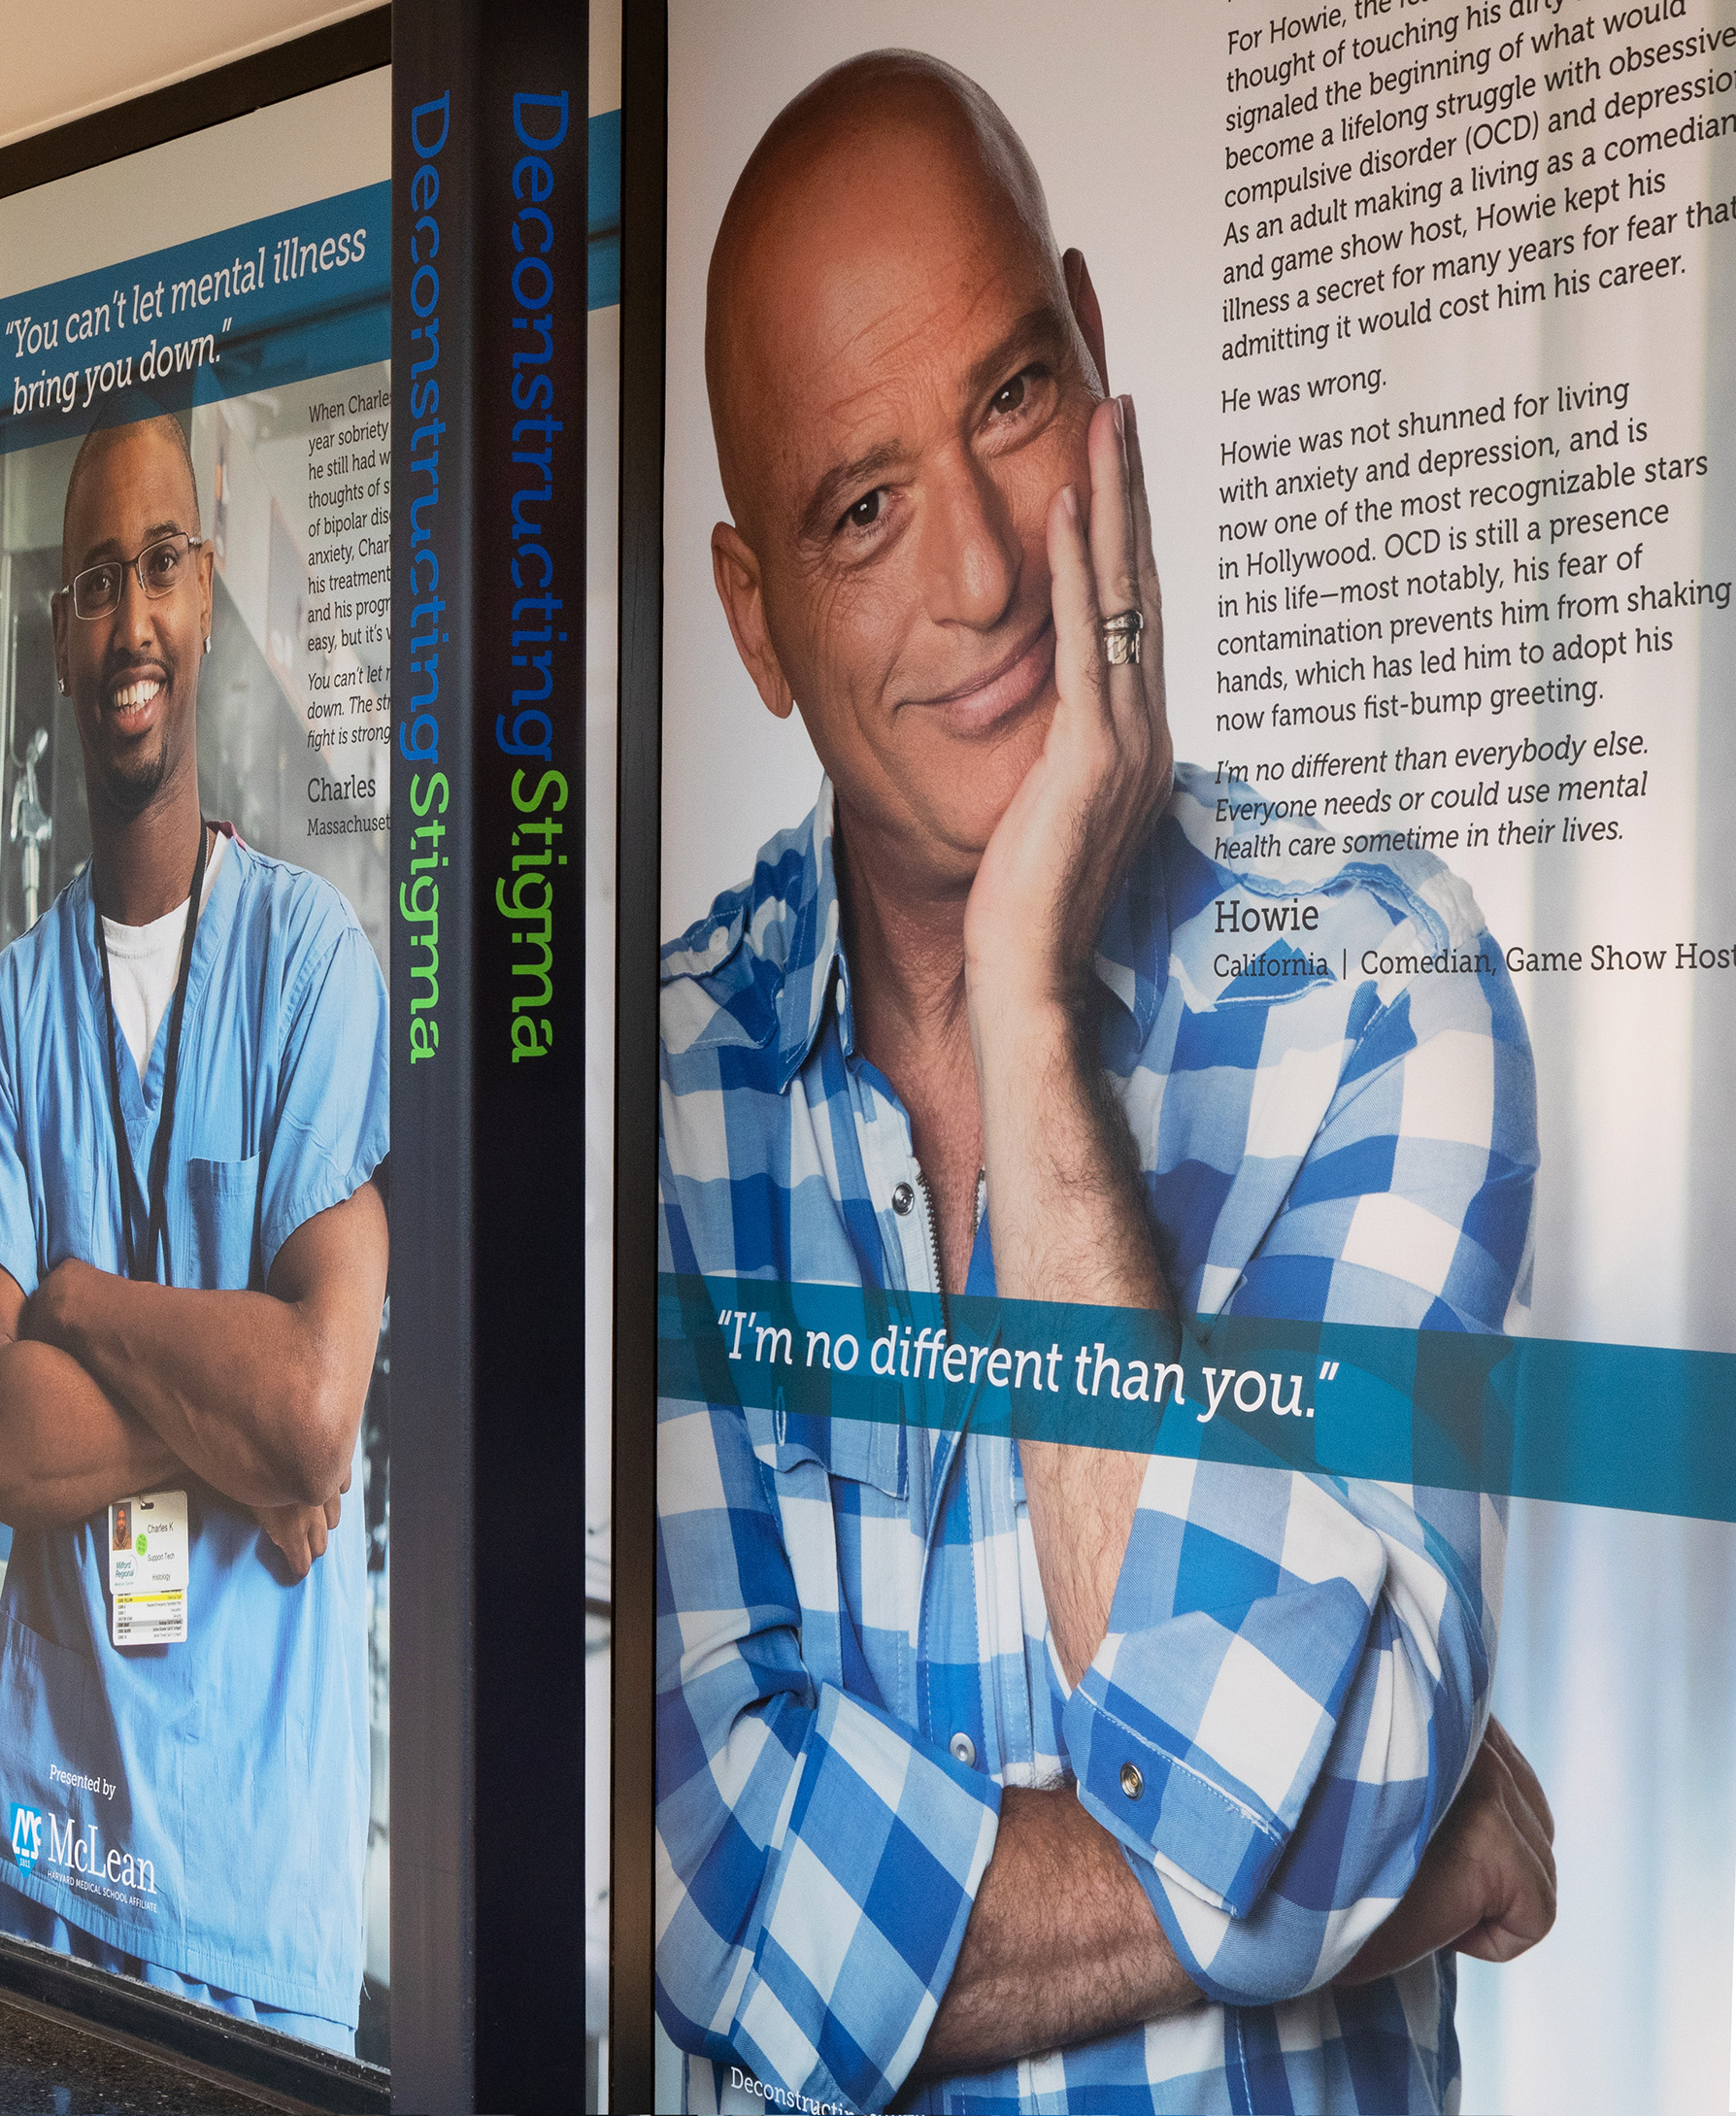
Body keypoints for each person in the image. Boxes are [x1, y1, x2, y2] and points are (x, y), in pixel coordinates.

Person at [651, 54, 1553, 2112]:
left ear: (1098, 356)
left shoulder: (1373, 990)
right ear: (756, 622)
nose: (978, 568)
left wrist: (1030, 1019)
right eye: (860, 509)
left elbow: (1288, 1810)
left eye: (1011, 397)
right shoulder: (657, 1110)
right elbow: (701, 1878)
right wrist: (1380, 1871)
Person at [0, 403, 389, 2053]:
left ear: (203, 591)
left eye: (156, 567)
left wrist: (73, 1296)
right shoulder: (12, 1015)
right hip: (39, 1864)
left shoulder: (309, 970)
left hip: (247, 1906)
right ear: (59, 631)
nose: (126, 616)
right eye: (90, 581)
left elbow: (310, 1406)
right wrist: (237, 1413)